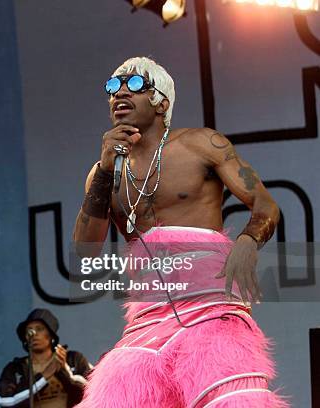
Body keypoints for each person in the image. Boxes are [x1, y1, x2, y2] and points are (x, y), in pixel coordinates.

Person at [73, 57, 287, 407]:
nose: (120, 93)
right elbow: (84, 252)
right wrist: (105, 169)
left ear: (162, 102)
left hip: (211, 308)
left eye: (135, 85)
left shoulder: (202, 144)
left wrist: (247, 242)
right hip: (146, 323)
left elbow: (265, 204)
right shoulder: (103, 174)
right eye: (113, 87)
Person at [0, 309, 92, 408]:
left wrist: (66, 374)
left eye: (40, 329)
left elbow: (94, 393)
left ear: (51, 335)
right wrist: (45, 375)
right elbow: (5, 401)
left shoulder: (74, 359)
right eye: (29, 330)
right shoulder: (15, 369)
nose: (34, 334)